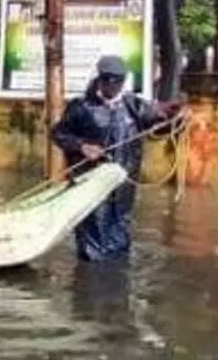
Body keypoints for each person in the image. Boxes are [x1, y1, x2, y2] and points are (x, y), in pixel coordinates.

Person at [51, 55, 181, 262]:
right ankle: (90, 280)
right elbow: (58, 134)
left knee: (120, 230)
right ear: (100, 80)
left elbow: (158, 120)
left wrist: (175, 114)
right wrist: (82, 146)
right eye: (107, 80)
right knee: (93, 232)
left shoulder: (132, 105)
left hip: (123, 185)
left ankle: (117, 278)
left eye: (118, 81)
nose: (112, 86)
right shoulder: (81, 107)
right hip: (91, 184)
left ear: (123, 81)